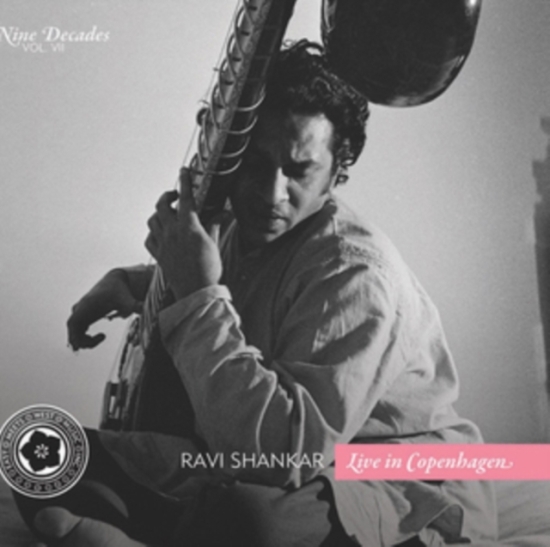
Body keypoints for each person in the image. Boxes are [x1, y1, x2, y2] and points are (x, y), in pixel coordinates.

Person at [15, 41, 497, 546]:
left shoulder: (356, 273)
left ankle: (101, 528)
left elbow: (280, 456)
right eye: (255, 162)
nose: (271, 194)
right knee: (38, 448)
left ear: (337, 170)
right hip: (247, 460)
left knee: (248, 517)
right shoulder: (238, 228)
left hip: (385, 482)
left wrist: (198, 295)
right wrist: (132, 282)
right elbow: (233, 283)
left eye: (299, 170)